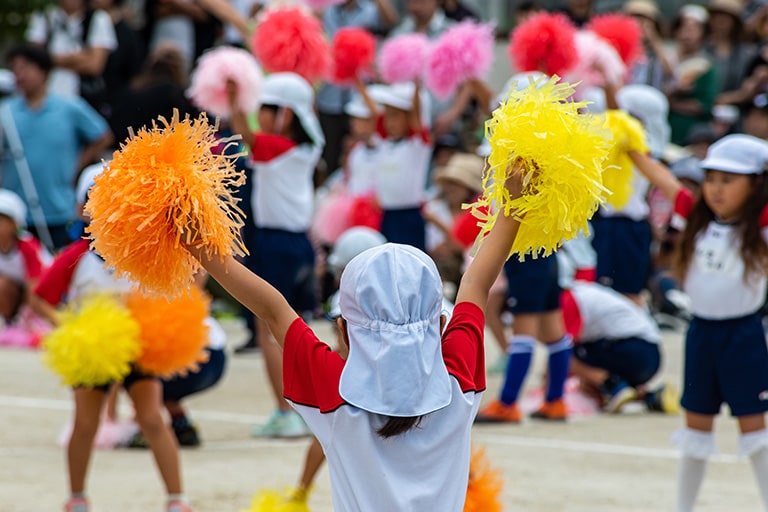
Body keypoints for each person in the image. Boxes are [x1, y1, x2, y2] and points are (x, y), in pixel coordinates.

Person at [185, 163, 523, 510]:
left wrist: (198, 244)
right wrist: (514, 204)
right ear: (440, 326)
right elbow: (476, 283)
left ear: (342, 330)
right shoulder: (458, 383)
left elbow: (274, 311)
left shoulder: (336, 393)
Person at [28, 164, 193, 512]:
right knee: (86, 423)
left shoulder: (141, 254)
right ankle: (76, 497)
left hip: (136, 344)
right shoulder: (75, 257)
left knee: (151, 418)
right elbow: (40, 297)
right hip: (93, 349)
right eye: (93, 200)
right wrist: (66, 327)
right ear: (81, 209)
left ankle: (177, 498)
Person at [628, 134, 768, 512]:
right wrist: (628, 146)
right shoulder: (695, 217)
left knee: (755, 430)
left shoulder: (761, 226)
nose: (716, 189)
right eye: (711, 179)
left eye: (729, 180)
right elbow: (664, 180)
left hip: (744, 336)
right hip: (701, 334)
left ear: (757, 184)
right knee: (695, 428)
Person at [227, 72, 324, 438]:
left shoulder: (278, 147)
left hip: (275, 245)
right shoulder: (302, 148)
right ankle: (307, 408)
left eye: (266, 108)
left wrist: (235, 99)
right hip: (297, 245)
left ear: (286, 114)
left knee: (269, 331)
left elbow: (244, 135)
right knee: (296, 329)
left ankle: (285, 411)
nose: (260, 115)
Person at [0, 43, 112, 251]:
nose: (19, 75)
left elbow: (103, 136)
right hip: (15, 212)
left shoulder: (69, 107)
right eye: (15, 69)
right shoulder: (6, 111)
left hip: (59, 208)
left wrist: (79, 166)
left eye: (25, 68)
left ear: (44, 72)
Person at [368, 81, 432, 251]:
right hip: (387, 216)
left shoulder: (417, 145)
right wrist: (354, 76)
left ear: (409, 118)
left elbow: (418, 116)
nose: (389, 122)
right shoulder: (384, 144)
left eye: (396, 116)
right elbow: (373, 111)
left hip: (409, 216)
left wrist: (417, 82)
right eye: (388, 116)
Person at [25, 0, 117, 103]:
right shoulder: (44, 15)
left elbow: (94, 66)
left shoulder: (98, 18)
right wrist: (80, 57)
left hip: (83, 96)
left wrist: (51, 59)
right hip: (47, 94)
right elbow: (34, 58)